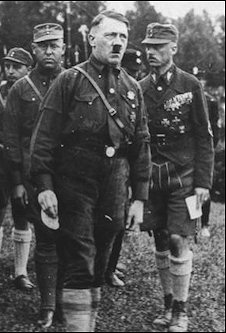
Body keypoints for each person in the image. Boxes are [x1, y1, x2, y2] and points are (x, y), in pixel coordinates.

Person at [30, 10, 151, 331]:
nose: (117, 43)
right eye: (110, 35)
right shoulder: (70, 80)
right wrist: (44, 185)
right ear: (92, 38)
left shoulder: (132, 87)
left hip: (115, 180)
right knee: (81, 258)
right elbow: (43, 137)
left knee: (100, 258)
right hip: (75, 180)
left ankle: (86, 322)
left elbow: (141, 144)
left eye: (123, 37)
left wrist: (139, 198)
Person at [139, 23, 214, 332]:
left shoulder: (190, 84)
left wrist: (203, 183)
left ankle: (181, 312)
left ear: (174, 49)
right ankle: (168, 303)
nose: (151, 52)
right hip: (152, 176)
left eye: (158, 46)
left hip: (183, 177)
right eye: (148, 46)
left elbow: (204, 136)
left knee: (177, 237)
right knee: (159, 236)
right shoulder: (139, 87)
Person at [4, 23, 66, 328]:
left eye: (55, 45)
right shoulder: (21, 88)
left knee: (71, 238)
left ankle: (67, 297)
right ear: (34, 49)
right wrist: (17, 179)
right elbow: (12, 137)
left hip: (71, 175)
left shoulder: (75, 81)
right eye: (43, 46)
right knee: (46, 238)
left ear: (64, 47)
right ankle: (48, 304)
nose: (50, 51)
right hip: (35, 176)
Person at [0, 47, 33, 293]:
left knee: (22, 214)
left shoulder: (32, 95)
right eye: (8, 66)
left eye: (17, 66)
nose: (11, 71)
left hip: (24, 164)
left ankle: (20, 272)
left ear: (28, 69)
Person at [104, 48, 145, 289]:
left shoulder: (135, 92)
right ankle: (101, 265)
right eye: (130, 70)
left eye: (136, 71)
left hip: (127, 163)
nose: (133, 75)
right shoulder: (107, 91)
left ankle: (110, 267)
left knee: (119, 220)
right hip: (108, 161)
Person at [196, 71, 220, 238]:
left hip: (204, 148)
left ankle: (204, 224)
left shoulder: (210, 101)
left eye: (201, 79)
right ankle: (192, 222)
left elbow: (215, 129)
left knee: (204, 185)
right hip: (188, 148)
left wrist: (210, 148)